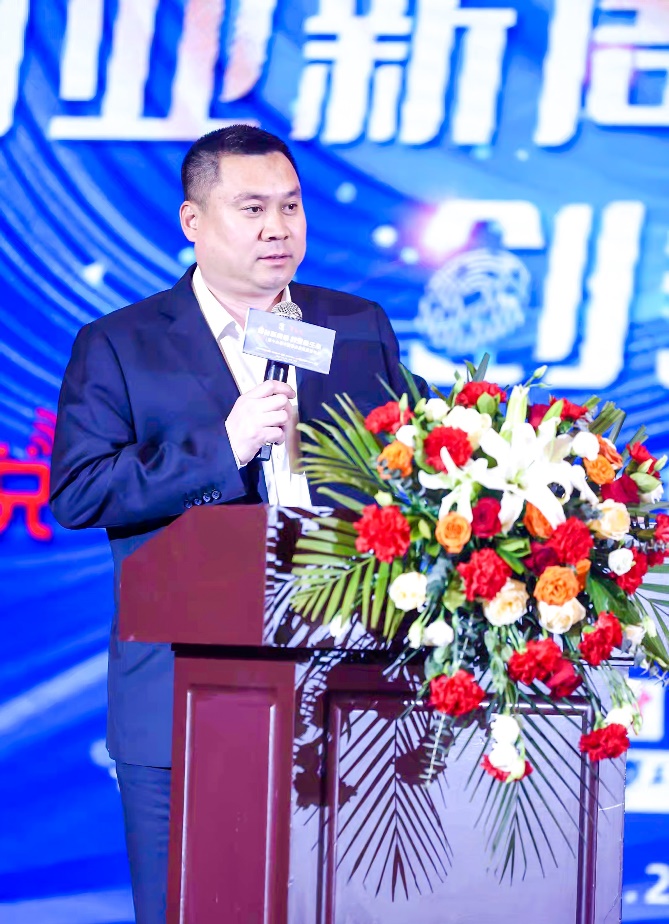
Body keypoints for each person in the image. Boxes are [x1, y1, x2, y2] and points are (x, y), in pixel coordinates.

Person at [49, 124, 426, 923]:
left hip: (345, 691)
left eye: (290, 206)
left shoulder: (355, 326)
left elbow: (414, 466)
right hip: (183, 696)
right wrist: (221, 448)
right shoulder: (120, 345)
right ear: (193, 221)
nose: (276, 228)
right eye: (252, 208)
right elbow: (80, 491)